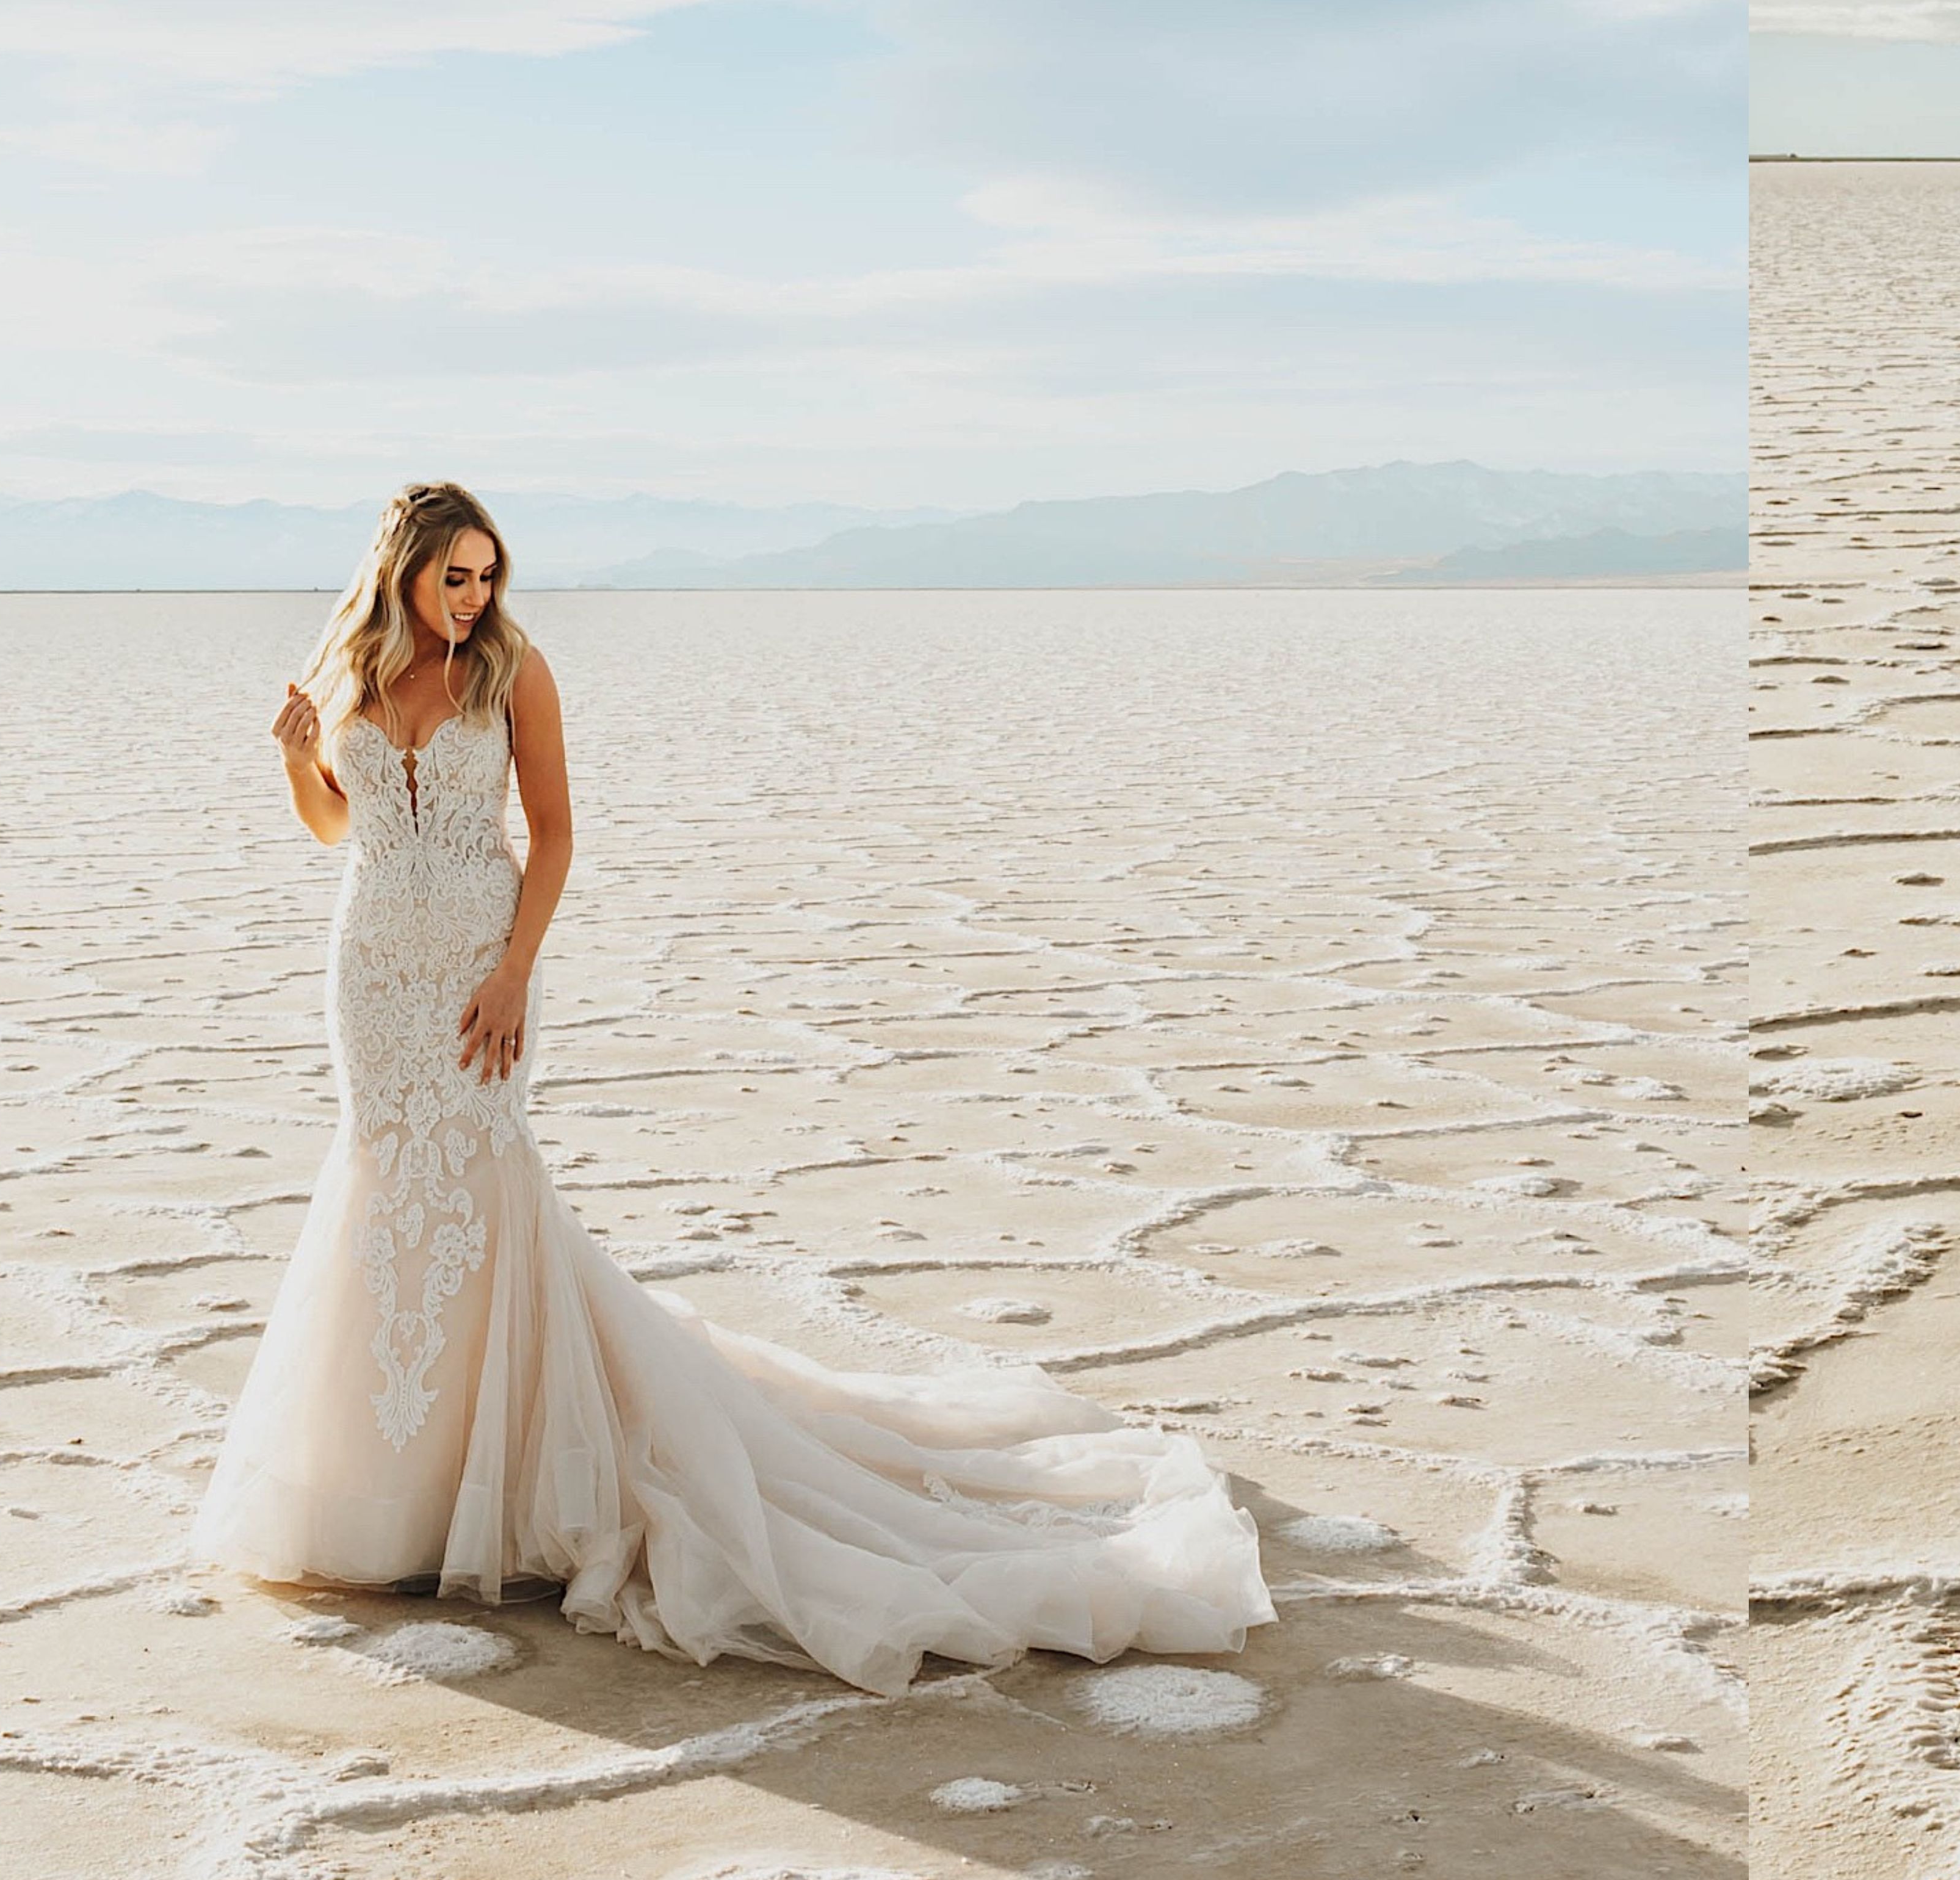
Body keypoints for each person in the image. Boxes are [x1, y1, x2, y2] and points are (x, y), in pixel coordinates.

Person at [188, 480, 1271, 1690]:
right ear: (404, 570)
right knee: (383, 1191)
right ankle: (399, 1491)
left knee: (482, 1189)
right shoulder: (347, 667)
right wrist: (298, 764)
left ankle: (510, 1488)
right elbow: (341, 831)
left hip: (478, 970)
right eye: (457, 578)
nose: (476, 598)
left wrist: (510, 975)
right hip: (371, 975)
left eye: (489, 577)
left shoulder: (513, 671)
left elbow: (552, 834)